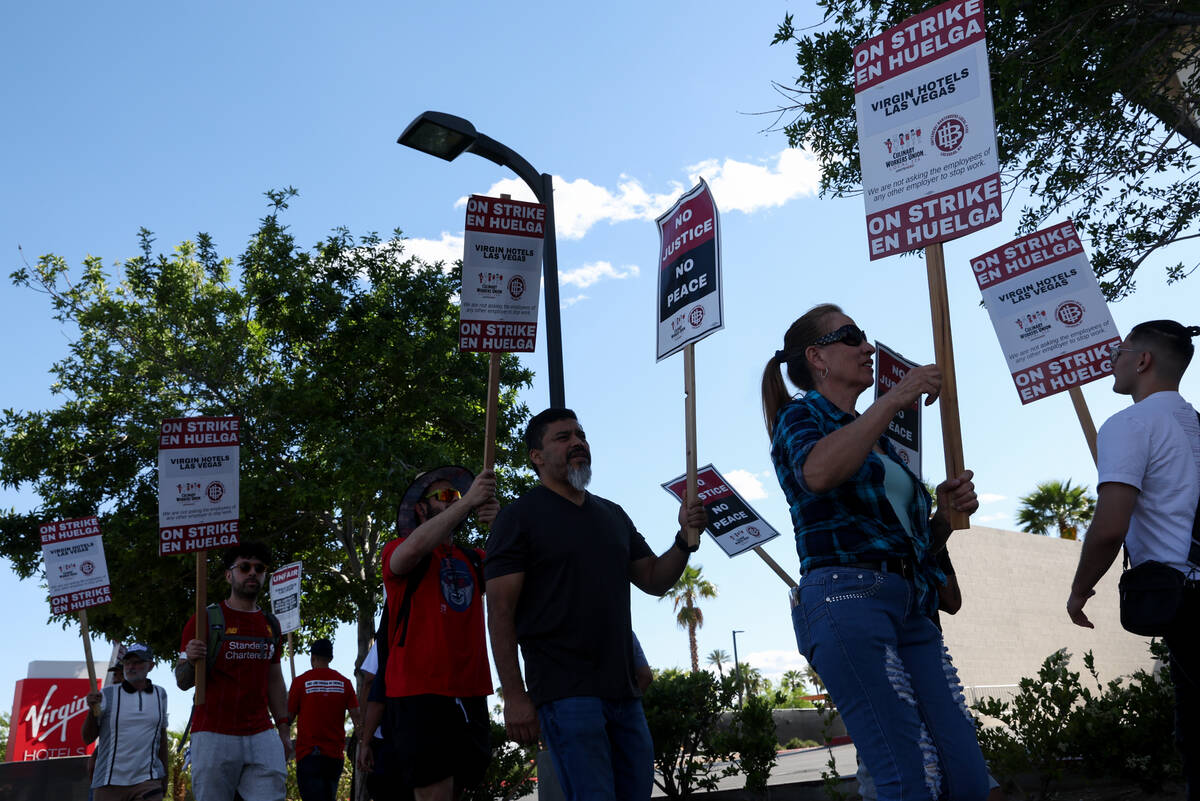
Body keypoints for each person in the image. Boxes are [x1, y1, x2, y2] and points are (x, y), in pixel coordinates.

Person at [762, 304, 989, 801]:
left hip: (911, 605)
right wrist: (897, 397)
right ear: (816, 357)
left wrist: (943, 516)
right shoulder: (800, 416)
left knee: (969, 778)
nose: (867, 347)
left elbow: (910, 543)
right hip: (847, 599)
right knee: (908, 778)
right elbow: (817, 473)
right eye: (851, 336)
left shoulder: (878, 439)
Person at [485, 407, 707, 801]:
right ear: (536, 456)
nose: (578, 443)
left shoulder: (612, 514)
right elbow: (500, 613)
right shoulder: (518, 518)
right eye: (563, 437)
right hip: (565, 694)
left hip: (624, 693)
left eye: (581, 435)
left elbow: (654, 578)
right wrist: (515, 697)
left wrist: (683, 539)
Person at [1067, 320, 1200, 800]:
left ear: (1142, 361)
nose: (1112, 362)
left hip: (1185, 600)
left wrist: (1079, 589)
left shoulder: (1130, 424)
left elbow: (1109, 528)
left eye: (1118, 353)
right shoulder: (1195, 422)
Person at [376, 466, 498, 801]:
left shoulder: (474, 558)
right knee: (433, 793)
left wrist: (499, 523)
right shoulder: (396, 548)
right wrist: (468, 502)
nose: (455, 500)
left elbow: (515, 569)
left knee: (458, 790)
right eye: (444, 495)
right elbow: (412, 551)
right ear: (421, 507)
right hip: (419, 691)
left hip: (471, 690)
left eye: (457, 495)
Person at [176, 541, 291, 801]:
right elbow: (182, 681)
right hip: (213, 734)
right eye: (245, 567)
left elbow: (274, 680)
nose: (253, 573)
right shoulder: (204, 619)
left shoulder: (271, 624)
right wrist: (191, 661)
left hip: (261, 733)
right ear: (229, 575)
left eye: (259, 568)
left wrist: (284, 729)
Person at [82, 643, 169, 801]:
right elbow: (87, 738)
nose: (130, 667)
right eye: (127, 662)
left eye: (137, 662)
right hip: (109, 782)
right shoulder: (107, 694)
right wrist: (91, 711)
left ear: (150, 666)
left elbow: (161, 737)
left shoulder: (160, 694)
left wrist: (165, 776)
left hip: (148, 781)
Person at [288, 638, 360, 801]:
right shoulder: (345, 683)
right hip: (334, 757)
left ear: (312, 657)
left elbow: (288, 718)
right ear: (331, 658)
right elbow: (357, 718)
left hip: (308, 755)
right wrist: (363, 743)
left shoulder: (300, 682)